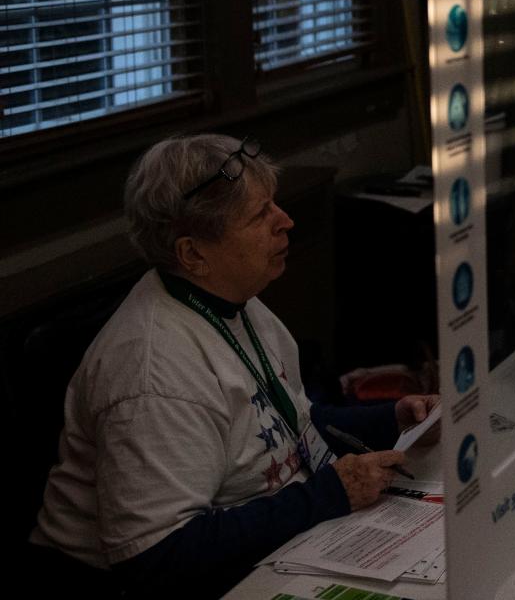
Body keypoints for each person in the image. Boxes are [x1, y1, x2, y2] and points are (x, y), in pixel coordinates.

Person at [29, 134, 439, 598]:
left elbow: (287, 423)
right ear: (193, 254)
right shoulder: (152, 371)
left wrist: (390, 418)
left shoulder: (230, 300)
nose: (286, 221)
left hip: (260, 541)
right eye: (259, 216)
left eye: (274, 205)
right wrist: (328, 494)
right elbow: (154, 557)